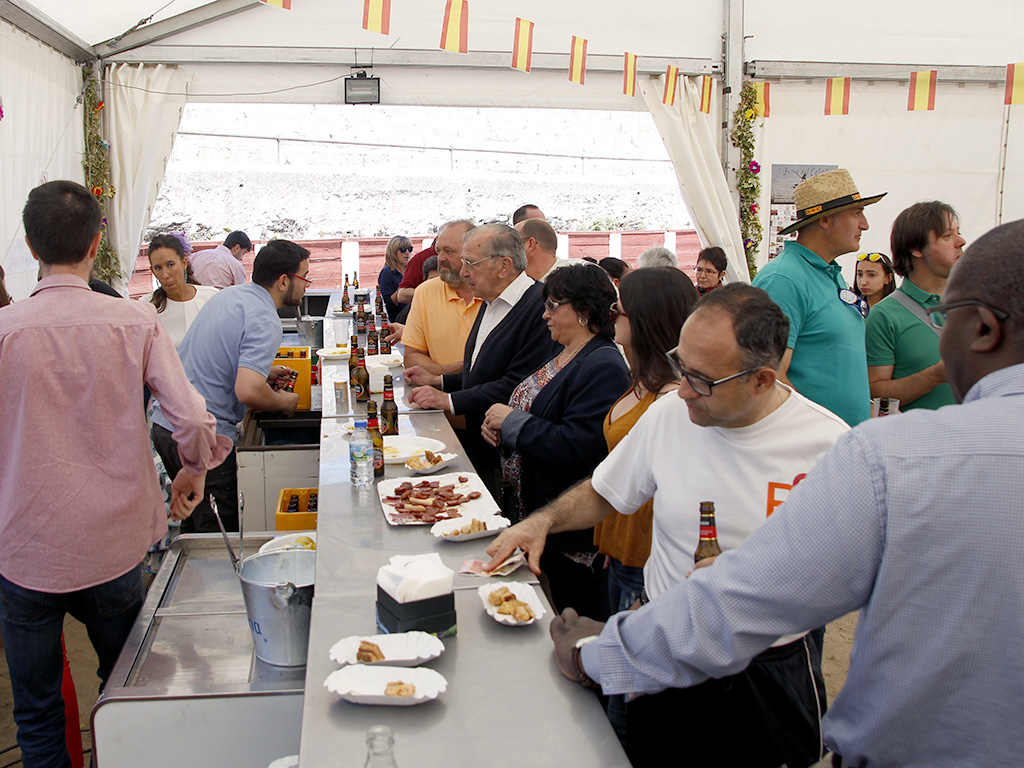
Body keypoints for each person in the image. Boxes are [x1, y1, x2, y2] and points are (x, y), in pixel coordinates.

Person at [546, 219, 1024, 768]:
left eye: (945, 319)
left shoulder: (895, 461)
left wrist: (594, 654)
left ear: (984, 328)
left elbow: (737, 608)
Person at [487, 283, 850, 768]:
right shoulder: (669, 414)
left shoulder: (829, 447)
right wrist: (543, 522)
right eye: (681, 365)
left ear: (763, 380)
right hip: (661, 650)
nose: (682, 389)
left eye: (703, 380)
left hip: (765, 669)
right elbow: (605, 490)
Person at [0, 180, 230, 768]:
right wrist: (194, 470)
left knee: (37, 709)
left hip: (24, 545)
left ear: (29, 246)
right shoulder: (134, 322)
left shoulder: (6, 330)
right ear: (97, 241)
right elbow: (191, 418)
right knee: (125, 686)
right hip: (116, 541)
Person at [481, 264, 629, 618]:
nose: (544, 315)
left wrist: (513, 422)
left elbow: (576, 444)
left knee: (571, 614)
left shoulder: (603, 365)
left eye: (553, 305)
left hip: (570, 530)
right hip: (537, 509)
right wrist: (502, 431)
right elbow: (539, 414)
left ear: (583, 311)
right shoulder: (565, 352)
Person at [151, 239, 308, 533]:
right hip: (202, 434)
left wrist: (265, 371)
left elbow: (218, 355)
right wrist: (284, 401)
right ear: (284, 281)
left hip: (165, 424)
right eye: (304, 278)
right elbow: (247, 391)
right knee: (216, 534)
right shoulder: (266, 320)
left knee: (193, 524)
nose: (307, 285)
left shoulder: (232, 296)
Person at [405, 224, 560, 490]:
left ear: (503, 266)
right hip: (482, 444)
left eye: (471, 264)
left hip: (509, 455)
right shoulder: (490, 300)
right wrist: (441, 380)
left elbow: (517, 385)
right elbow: (483, 371)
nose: (464, 273)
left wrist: (449, 400)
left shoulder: (536, 308)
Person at [594, 268, 698, 614]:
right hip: (624, 550)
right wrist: (614, 535)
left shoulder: (676, 399)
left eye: (617, 311)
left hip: (647, 565)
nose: (612, 318)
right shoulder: (643, 379)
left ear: (643, 319)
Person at [753, 168, 886, 426]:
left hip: (841, 441)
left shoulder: (829, 272)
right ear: (825, 220)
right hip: (811, 449)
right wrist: (819, 427)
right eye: (857, 213)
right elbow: (771, 374)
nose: (865, 224)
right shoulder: (784, 279)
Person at [865, 201, 964, 411]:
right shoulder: (885, 315)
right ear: (916, 249)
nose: (961, 241)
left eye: (958, 233)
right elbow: (874, 393)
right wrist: (935, 376)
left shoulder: (973, 305)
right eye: (948, 236)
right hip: (921, 440)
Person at [401, 221, 481, 376]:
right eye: (439, 251)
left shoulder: (492, 292)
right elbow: (411, 356)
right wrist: (446, 374)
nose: (440, 259)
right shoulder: (425, 291)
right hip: (437, 394)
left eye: (449, 251)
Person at [139, 234, 219, 349]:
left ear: (184, 263)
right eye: (158, 268)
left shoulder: (211, 297)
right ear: (152, 270)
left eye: (170, 265)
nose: (165, 275)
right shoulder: (146, 307)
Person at [378, 235, 413, 322]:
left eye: (410, 249)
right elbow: (387, 305)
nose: (407, 252)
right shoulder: (387, 273)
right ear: (393, 252)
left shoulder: (411, 269)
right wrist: (401, 291)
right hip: (399, 318)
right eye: (403, 250)